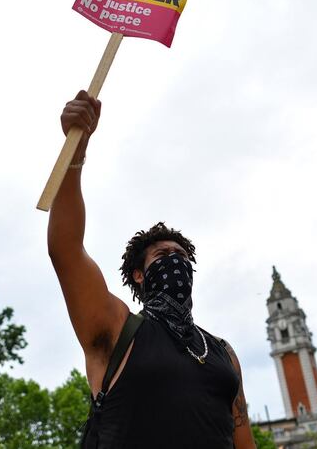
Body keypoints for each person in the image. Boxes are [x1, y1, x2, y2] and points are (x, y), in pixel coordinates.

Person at [47, 90, 255, 448]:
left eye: (181, 256)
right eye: (162, 255)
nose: (175, 261)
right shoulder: (116, 326)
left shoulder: (223, 352)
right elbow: (65, 251)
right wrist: (75, 155)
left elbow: (244, 441)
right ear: (140, 275)